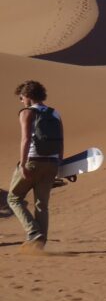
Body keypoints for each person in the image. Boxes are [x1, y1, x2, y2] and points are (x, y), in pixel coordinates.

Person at [8, 81, 63, 248]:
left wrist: (23, 164)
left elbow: (25, 139)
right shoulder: (55, 113)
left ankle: (33, 232)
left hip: (33, 160)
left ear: (28, 97)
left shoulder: (27, 113)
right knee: (42, 204)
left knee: (14, 198)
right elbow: (61, 141)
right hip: (52, 162)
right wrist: (58, 165)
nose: (21, 100)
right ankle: (39, 245)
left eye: (21, 97)